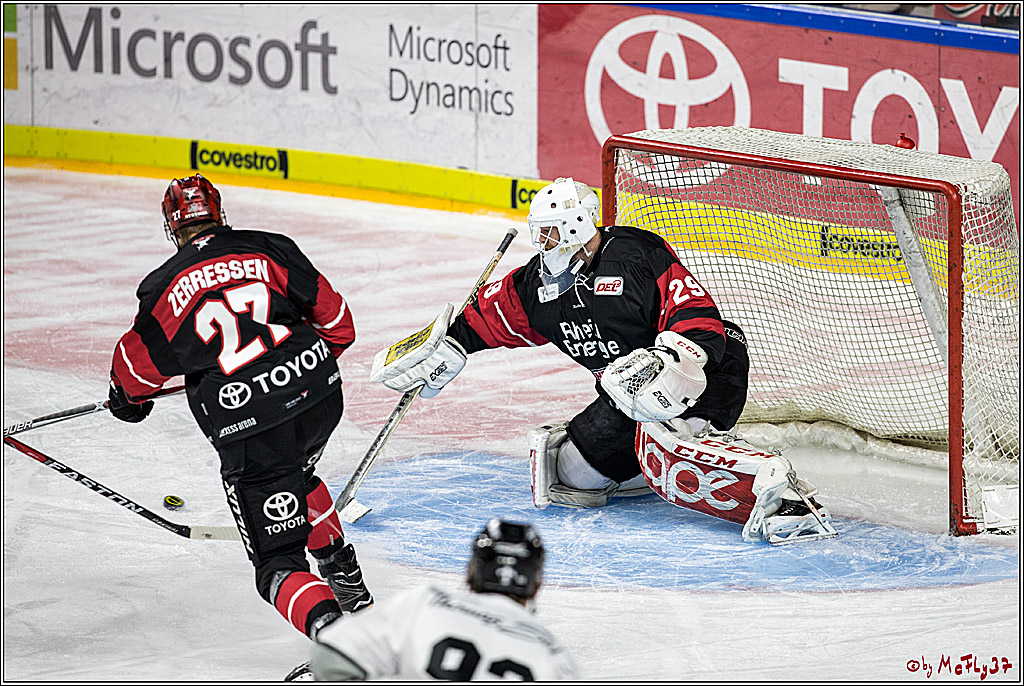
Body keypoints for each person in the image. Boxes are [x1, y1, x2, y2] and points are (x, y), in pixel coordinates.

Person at [370, 177, 835, 543]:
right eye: (540, 232)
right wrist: (447, 345)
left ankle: (781, 496)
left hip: (704, 372)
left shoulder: (634, 256)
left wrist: (671, 358)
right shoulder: (535, 285)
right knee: (572, 476)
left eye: (552, 231)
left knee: (662, 431)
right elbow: (488, 319)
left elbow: (699, 317)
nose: (544, 241)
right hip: (626, 393)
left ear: (578, 226)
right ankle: (648, 459)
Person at [107, 174, 373, 641]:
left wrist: (127, 403)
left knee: (276, 566)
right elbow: (339, 326)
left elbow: (134, 373)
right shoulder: (271, 248)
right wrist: (295, 370)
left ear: (172, 226)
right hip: (320, 400)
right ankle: (341, 570)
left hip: (253, 428)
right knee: (298, 476)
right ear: (220, 213)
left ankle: (345, 647)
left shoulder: (164, 287)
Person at [308, 518, 580, 681]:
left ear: (470, 570)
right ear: (537, 583)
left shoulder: (426, 603)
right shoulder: (555, 656)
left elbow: (330, 657)